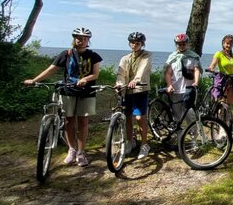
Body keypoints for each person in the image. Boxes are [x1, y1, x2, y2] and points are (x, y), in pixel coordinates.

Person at [23, 27, 102, 167]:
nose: (81, 41)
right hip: (68, 92)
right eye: (79, 38)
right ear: (74, 39)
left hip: (86, 92)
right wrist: (34, 80)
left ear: (88, 41)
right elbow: (50, 70)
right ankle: (71, 149)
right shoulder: (66, 54)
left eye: (84, 39)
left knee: (83, 122)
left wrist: (85, 79)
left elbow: (95, 74)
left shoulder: (93, 56)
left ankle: (81, 152)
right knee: (68, 121)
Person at [116, 32, 152, 159]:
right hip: (127, 91)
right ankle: (130, 141)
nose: (134, 45)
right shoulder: (125, 58)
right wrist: (119, 84)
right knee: (128, 117)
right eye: (132, 43)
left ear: (142, 44)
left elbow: (143, 69)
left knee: (140, 118)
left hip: (140, 89)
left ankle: (144, 144)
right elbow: (121, 73)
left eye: (137, 43)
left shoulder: (146, 55)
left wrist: (135, 80)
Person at [164, 33, 202, 126]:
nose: (181, 46)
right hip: (175, 90)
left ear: (187, 44)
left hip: (188, 90)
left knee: (190, 114)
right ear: (176, 45)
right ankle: (179, 137)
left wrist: (196, 82)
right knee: (177, 115)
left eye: (183, 44)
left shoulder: (193, 56)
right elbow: (168, 73)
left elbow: (197, 70)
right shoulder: (172, 57)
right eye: (179, 44)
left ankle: (193, 137)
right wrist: (169, 85)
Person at [207, 34, 233, 107]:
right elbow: (213, 64)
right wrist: (211, 68)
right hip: (221, 78)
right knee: (220, 99)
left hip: (231, 79)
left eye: (231, 44)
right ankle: (216, 111)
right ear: (223, 44)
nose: (229, 45)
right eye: (227, 43)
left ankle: (225, 116)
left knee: (229, 102)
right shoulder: (219, 54)